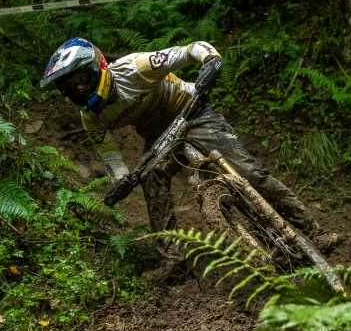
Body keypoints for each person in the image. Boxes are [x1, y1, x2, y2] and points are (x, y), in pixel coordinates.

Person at [40, 37, 321, 272]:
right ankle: (173, 259)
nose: (78, 89)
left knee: (249, 173)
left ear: (97, 67)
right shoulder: (90, 118)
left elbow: (190, 50)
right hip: (157, 135)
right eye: (70, 87)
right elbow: (111, 157)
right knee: (151, 180)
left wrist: (210, 59)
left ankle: (310, 229)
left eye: (82, 80)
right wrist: (121, 180)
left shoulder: (136, 68)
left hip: (192, 110)